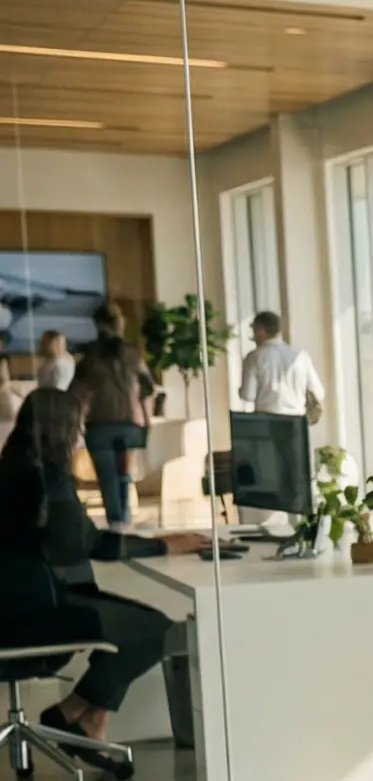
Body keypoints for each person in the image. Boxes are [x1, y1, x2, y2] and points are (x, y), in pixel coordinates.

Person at [0, 387, 207, 748]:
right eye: (78, 425)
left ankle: (86, 718)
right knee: (156, 629)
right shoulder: (47, 482)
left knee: (138, 625)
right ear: (60, 430)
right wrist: (164, 544)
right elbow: (90, 544)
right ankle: (74, 711)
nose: (82, 433)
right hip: (38, 615)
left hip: (19, 607)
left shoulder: (13, 471)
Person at [68, 304, 154, 531]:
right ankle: (124, 520)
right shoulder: (132, 353)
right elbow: (147, 388)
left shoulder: (89, 356)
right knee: (124, 476)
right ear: (119, 323)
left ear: (96, 324)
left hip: (99, 423)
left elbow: (75, 393)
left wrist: (76, 420)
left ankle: (116, 523)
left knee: (107, 478)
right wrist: (146, 419)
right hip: (129, 422)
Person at [236, 309, 325, 418]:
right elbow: (318, 392)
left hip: (267, 419)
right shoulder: (301, 357)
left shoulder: (254, 357)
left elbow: (248, 395)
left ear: (261, 330)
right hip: (296, 419)